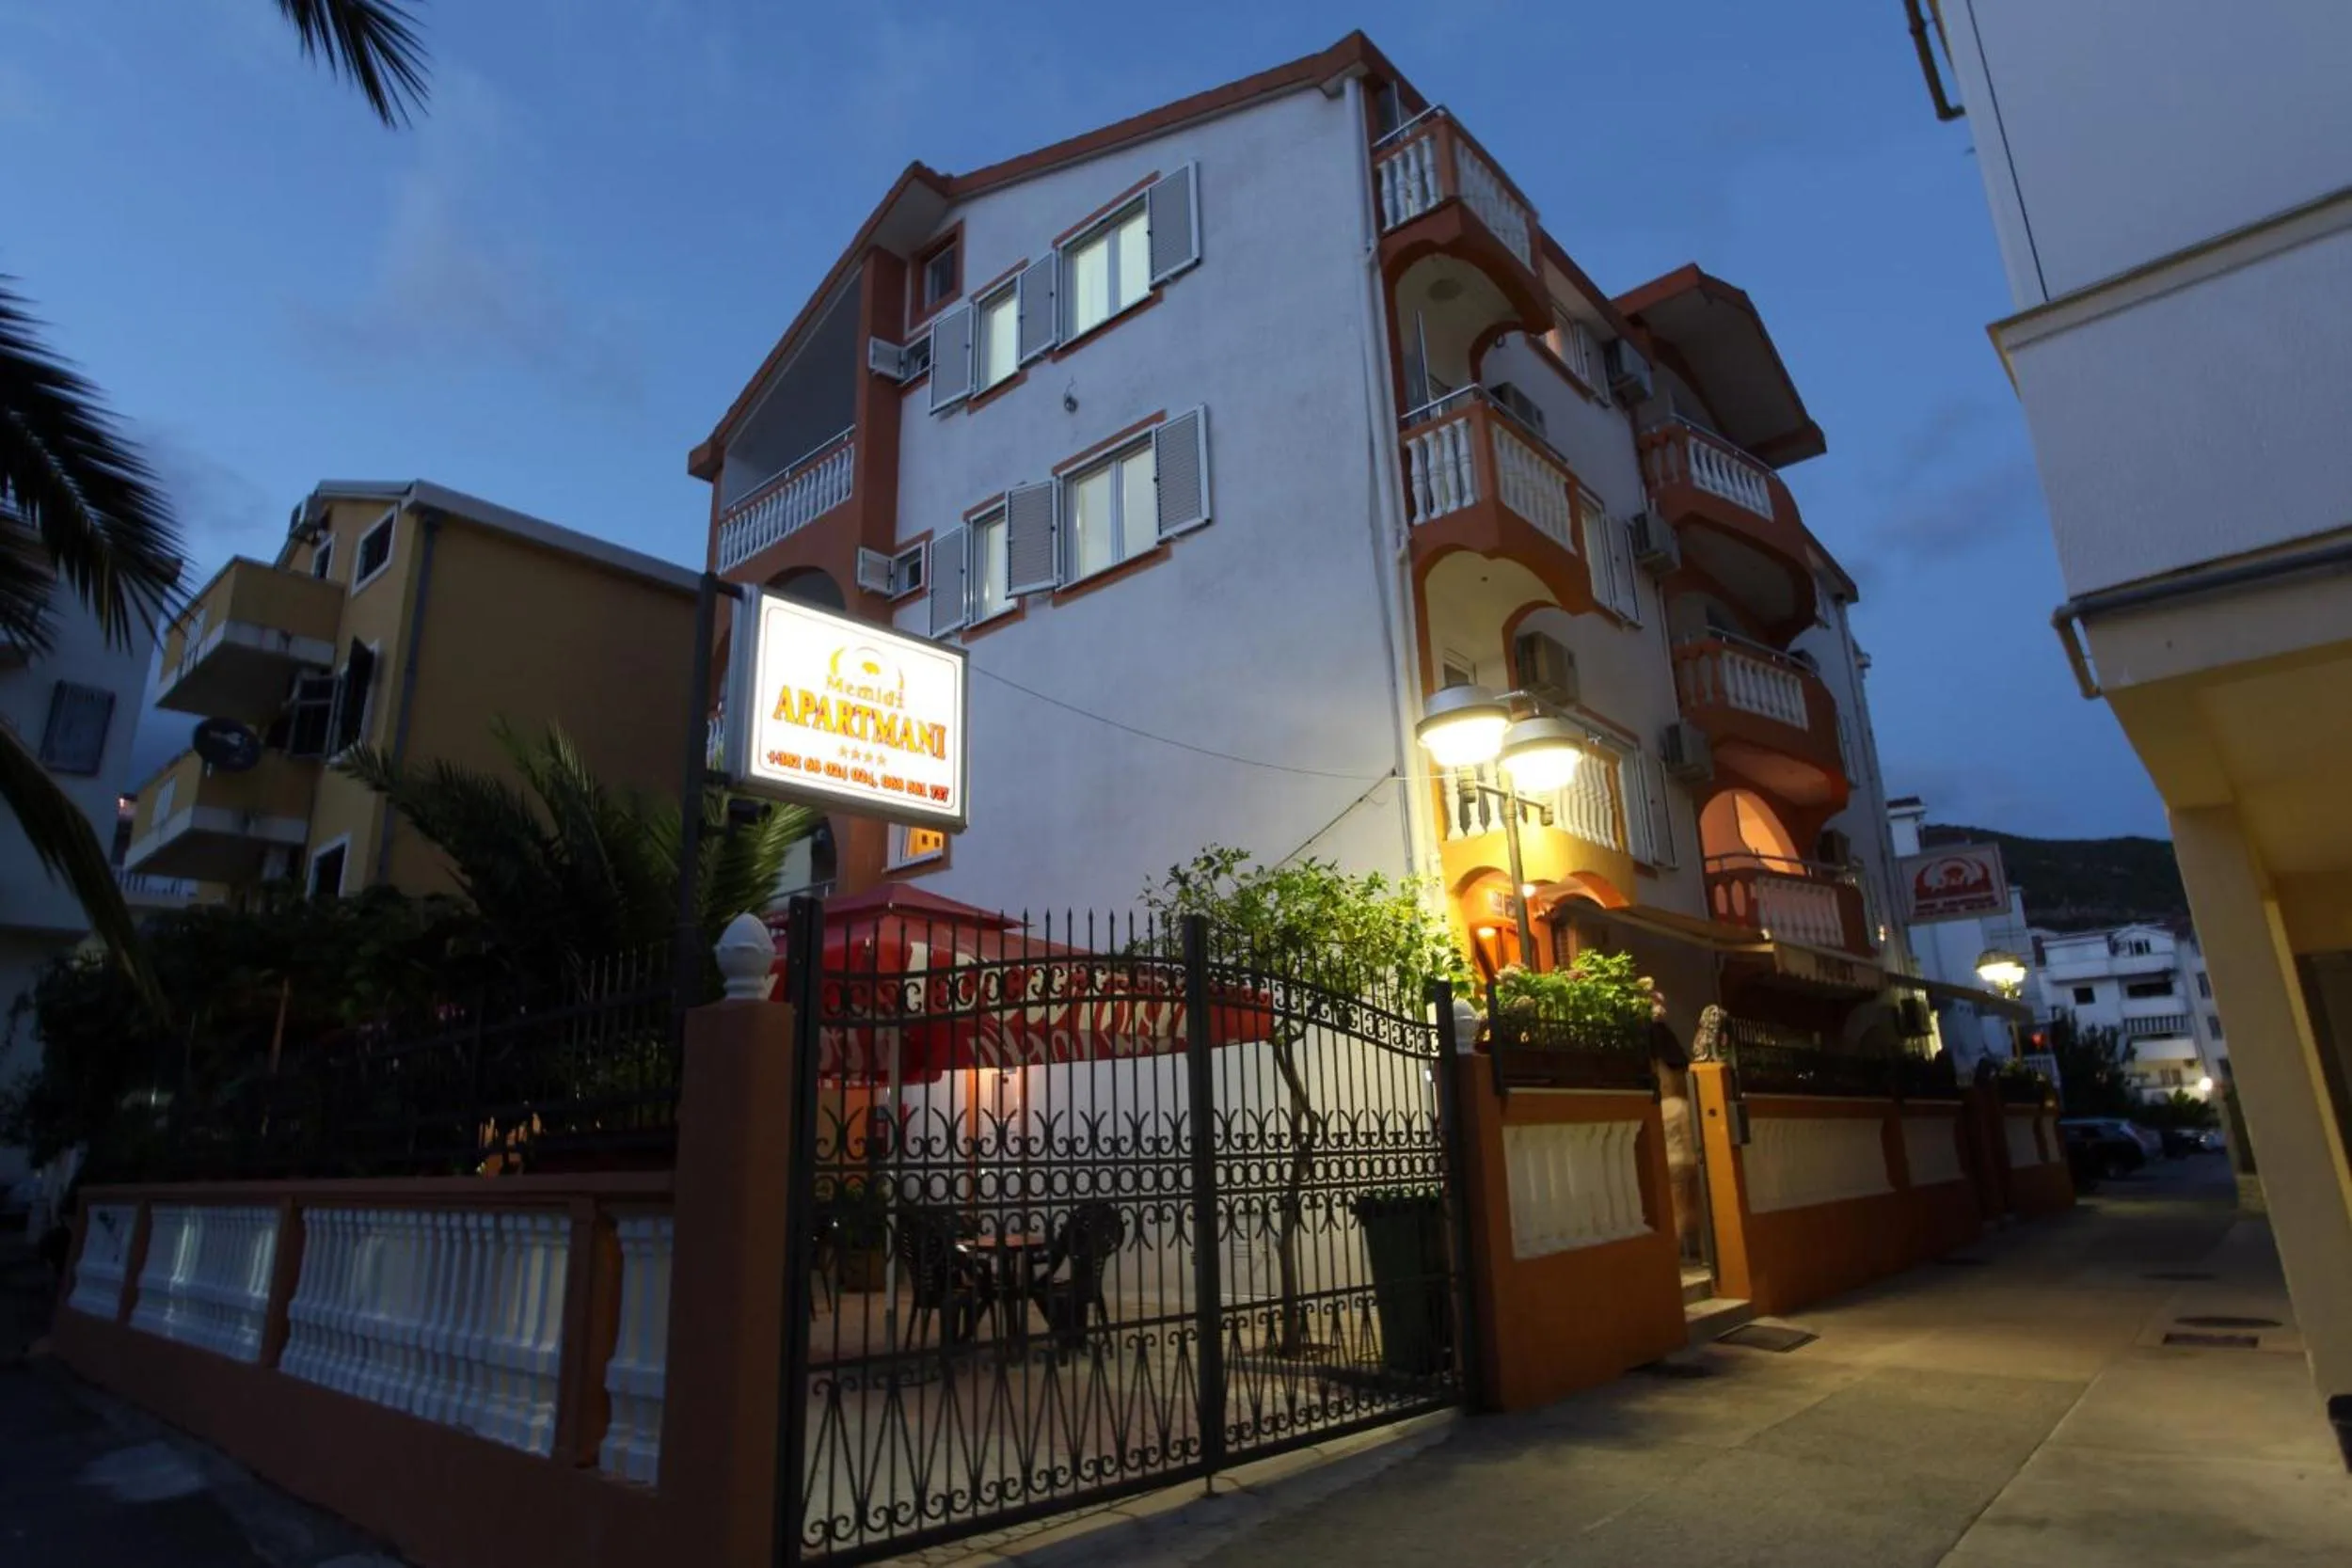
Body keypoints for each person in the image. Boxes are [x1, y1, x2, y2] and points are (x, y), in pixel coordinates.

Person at [1649, 992, 1703, 1264]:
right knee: (1691, 1208)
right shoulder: (1683, 1104)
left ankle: (1674, 1255)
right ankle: (1699, 1251)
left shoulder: (1664, 1108)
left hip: (1671, 1162)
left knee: (1676, 1211)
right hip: (1690, 1160)